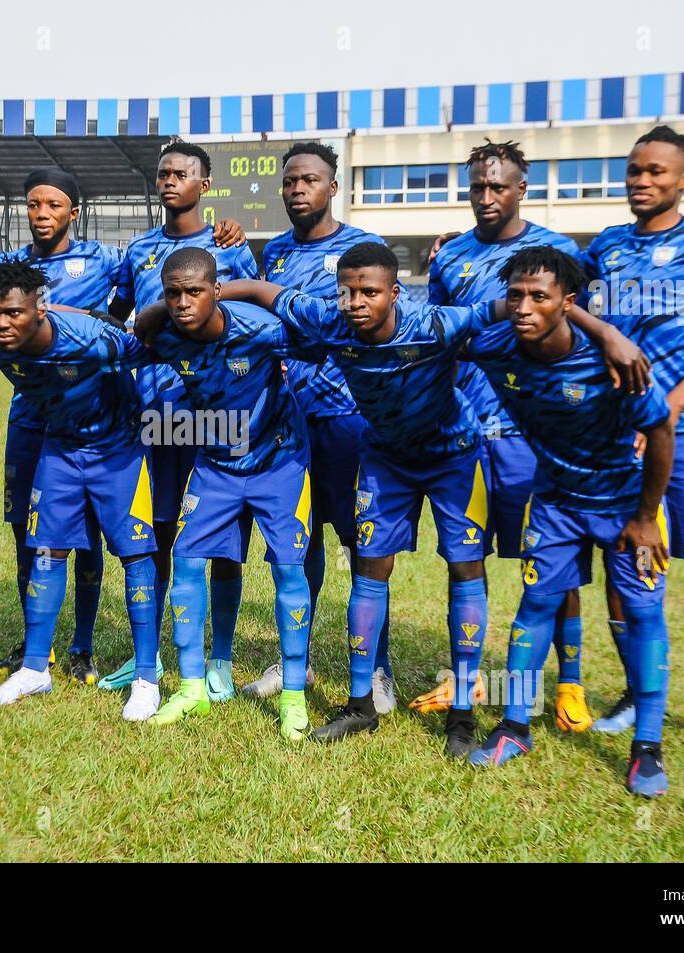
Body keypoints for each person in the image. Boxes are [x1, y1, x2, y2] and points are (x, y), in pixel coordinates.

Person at [213, 243, 648, 751]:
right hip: (384, 460)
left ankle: (461, 713)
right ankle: (360, 705)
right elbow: (270, 292)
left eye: (370, 292)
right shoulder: (328, 318)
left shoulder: (436, 324)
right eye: (347, 292)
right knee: (370, 568)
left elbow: (513, 306)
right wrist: (221, 292)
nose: (356, 302)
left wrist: (608, 331)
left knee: (466, 571)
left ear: (395, 293)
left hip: (454, 459)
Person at [462, 246, 675, 798]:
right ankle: (514, 727)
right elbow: (458, 327)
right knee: (534, 607)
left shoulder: (614, 363)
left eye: (540, 297)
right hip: (556, 500)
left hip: (627, 504)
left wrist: (648, 517)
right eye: (516, 295)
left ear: (568, 303)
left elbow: (663, 433)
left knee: (645, 615)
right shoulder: (495, 348)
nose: (525, 307)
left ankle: (646, 748)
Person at [582, 126, 684, 761]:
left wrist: (668, 410)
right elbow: (570, 305)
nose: (642, 181)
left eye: (656, 171)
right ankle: (635, 690)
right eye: (634, 171)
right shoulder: (607, 247)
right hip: (616, 436)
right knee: (626, 563)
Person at [412, 139, 591, 734]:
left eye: (499, 187)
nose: (487, 197)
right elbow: (438, 336)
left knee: (550, 564)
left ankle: (567, 683)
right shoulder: (449, 257)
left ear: (521, 189)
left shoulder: (558, 253)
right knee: (466, 560)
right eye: (478, 187)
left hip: (531, 435)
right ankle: (466, 677)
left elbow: (583, 337)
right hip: (463, 433)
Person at [239, 141, 396, 714]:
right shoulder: (273, 252)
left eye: (309, 180)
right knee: (295, 548)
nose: (297, 189)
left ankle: (377, 671)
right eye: (289, 182)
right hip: (286, 428)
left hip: (347, 422)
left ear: (333, 187)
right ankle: (292, 660)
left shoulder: (359, 250)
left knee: (363, 549)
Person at [0, 261, 164, 721]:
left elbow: (150, 347)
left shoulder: (90, 338)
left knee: (135, 556)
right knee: (46, 551)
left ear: (41, 308)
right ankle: (35, 669)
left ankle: (146, 679)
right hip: (58, 448)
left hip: (118, 451)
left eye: (13, 313)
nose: (2, 323)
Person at [98, 140, 259, 692]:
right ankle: (156, 657)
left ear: (204, 184)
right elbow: (120, 325)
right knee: (160, 529)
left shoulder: (229, 247)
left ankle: (220, 660)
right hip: (158, 414)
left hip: (220, 415)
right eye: (163, 173)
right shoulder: (139, 249)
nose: (169, 181)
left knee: (222, 536)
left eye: (181, 173)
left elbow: (254, 328)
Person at [133, 248, 313, 740]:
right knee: (187, 561)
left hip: (280, 462)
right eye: (173, 294)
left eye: (195, 291)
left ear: (217, 290)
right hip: (215, 464)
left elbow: (322, 344)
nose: (184, 303)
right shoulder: (166, 334)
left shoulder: (262, 329)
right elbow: (132, 335)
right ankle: (192, 688)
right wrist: (151, 311)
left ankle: (294, 696)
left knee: (288, 569)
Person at [0, 168, 125, 686]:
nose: (42, 214)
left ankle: (83, 645)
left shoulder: (102, 259)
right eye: (33, 204)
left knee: (87, 534)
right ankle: (39, 644)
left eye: (53, 205)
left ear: (73, 212)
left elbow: (148, 282)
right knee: (25, 530)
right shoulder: (5, 267)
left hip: (89, 414)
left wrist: (223, 233)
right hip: (30, 414)